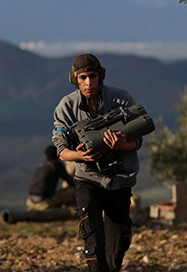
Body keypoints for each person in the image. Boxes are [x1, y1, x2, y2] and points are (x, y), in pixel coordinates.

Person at [52, 53, 143, 272]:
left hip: (120, 178)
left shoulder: (121, 98)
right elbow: (61, 149)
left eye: (92, 76)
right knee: (92, 238)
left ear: (100, 76)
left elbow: (138, 136)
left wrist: (124, 145)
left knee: (119, 240)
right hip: (87, 179)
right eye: (82, 77)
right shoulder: (66, 106)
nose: (88, 82)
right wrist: (80, 156)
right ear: (75, 79)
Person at [26, 145, 75, 210]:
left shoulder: (42, 166)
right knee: (74, 191)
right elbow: (70, 181)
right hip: (44, 202)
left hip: (30, 201)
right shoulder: (56, 165)